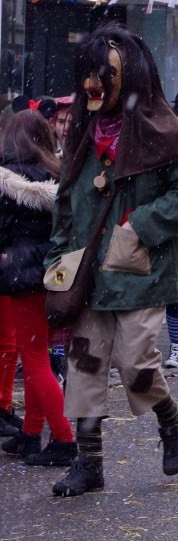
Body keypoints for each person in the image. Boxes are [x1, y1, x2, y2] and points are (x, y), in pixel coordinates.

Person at [46, 22, 178, 497]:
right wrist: (58, 260)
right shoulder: (82, 130)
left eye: (102, 74)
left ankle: (173, 422)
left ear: (127, 76)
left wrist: (137, 227)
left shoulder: (163, 128)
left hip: (141, 270)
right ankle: (89, 462)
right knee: (86, 361)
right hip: (86, 271)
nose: (92, 85)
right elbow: (66, 202)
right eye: (87, 75)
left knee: (136, 362)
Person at [0, 110, 77, 466]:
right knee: (40, 357)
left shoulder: (6, 180)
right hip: (54, 274)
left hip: (20, 275)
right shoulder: (58, 174)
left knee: (34, 362)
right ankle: (31, 434)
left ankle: (64, 439)